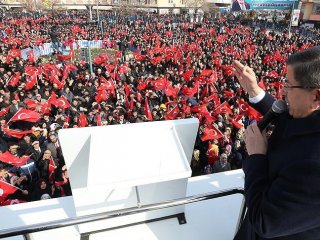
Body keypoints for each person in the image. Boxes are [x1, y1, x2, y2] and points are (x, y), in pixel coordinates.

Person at [233, 46, 320, 239]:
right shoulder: (307, 114)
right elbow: (287, 118)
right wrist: (255, 91)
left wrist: (256, 157)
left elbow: (266, 222)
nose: (282, 91)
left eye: (289, 85)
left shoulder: (315, 165)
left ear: (315, 96)